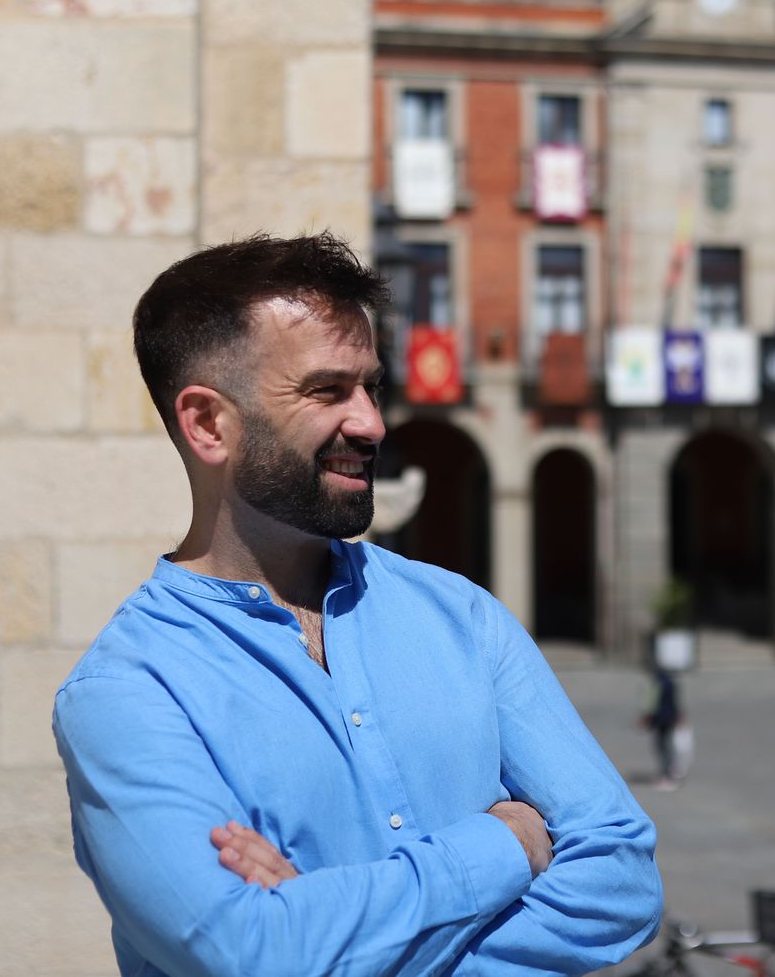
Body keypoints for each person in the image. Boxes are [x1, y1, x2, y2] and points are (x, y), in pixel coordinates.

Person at [52, 233, 661, 976]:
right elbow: (247, 953)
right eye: (326, 391)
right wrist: (507, 843)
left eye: (371, 386)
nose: (371, 422)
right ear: (208, 424)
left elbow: (622, 879)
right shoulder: (126, 692)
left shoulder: (461, 617)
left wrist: (327, 929)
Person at [642, 666, 685, 790]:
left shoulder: (657, 684)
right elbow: (675, 702)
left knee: (662, 748)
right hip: (670, 719)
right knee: (668, 746)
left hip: (661, 721)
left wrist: (646, 719)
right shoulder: (671, 683)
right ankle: (671, 772)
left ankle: (667, 774)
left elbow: (651, 704)